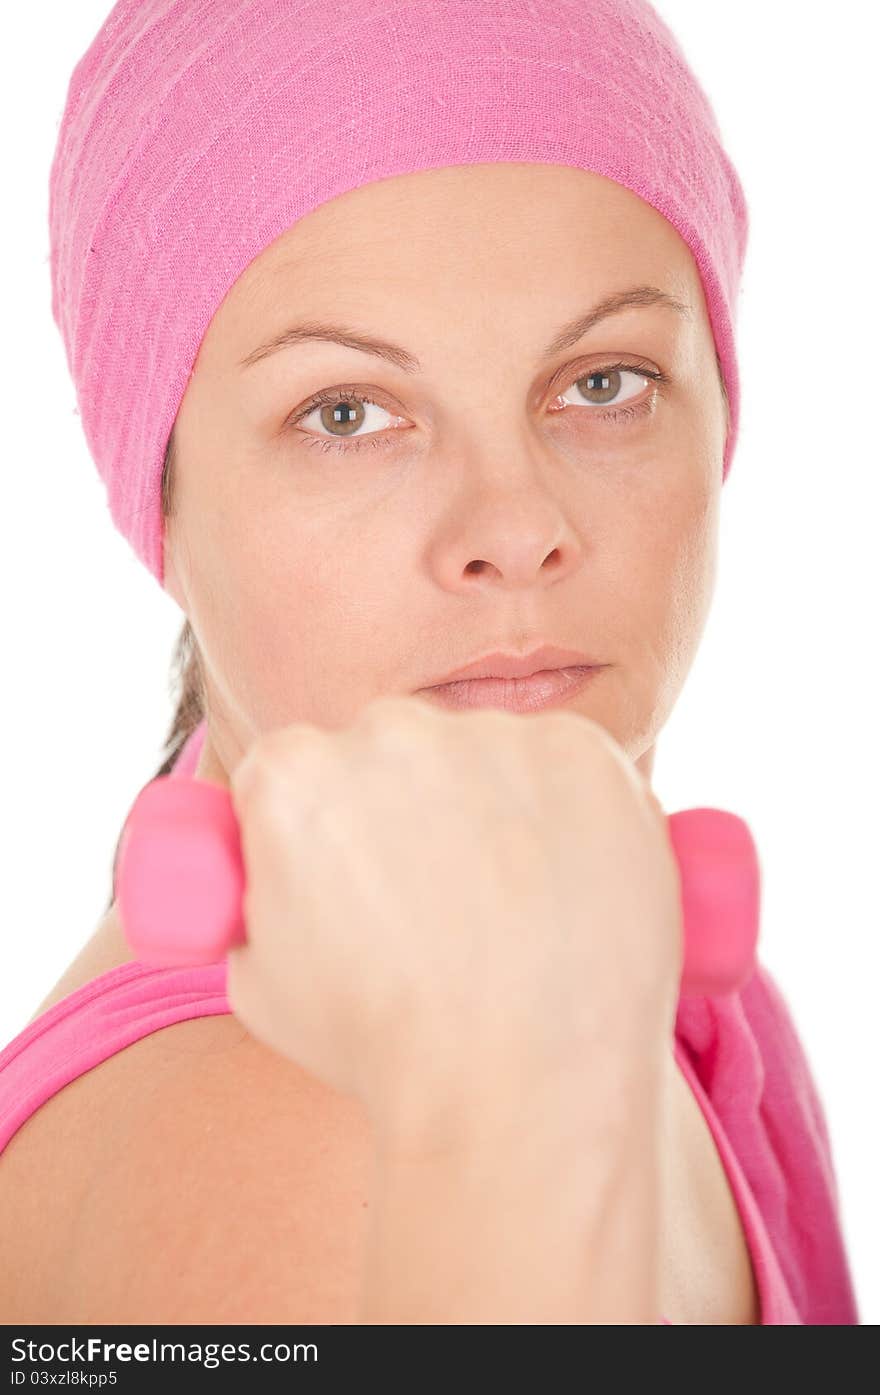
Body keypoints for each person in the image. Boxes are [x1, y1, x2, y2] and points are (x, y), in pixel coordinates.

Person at [0, 0, 859, 1324]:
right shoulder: (297, 1159)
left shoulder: (627, 986)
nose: (514, 532)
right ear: (155, 505)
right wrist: (503, 1117)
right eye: (348, 414)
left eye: (606, 383)